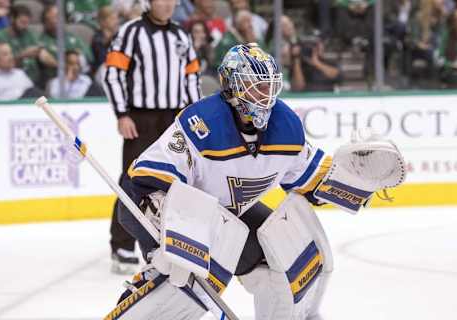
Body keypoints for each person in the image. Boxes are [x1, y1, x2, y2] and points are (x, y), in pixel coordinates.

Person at [106, 43, 333, 319]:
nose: (266, 95)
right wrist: (171, 230)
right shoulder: (203, 122)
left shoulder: (285, 123)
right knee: (183, 270)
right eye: (256, 86)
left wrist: (354, 180)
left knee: (284, 249)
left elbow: (313, 178)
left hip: (225, 213)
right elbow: (146, 178)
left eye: (270, 86)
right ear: (233, 86)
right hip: (154, 206)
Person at [103, 0, 202, 274]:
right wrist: (122, 114)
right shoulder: (131, 32)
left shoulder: (182, 35)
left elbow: (192, 77)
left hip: (173, 119)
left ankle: (167, 244)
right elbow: (112, 74)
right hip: (140, 118)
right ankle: (121, 245)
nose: (168, 4)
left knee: (175, 183)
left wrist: (194, 117)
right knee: (132, 180)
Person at [0, 4, 57, 86]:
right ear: (12, 19)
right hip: (11, 79)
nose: (25, 26)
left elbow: (42, 53)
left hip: (34, 79)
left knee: (46, 96)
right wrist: (23, 55)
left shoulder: (28, 34)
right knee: (39, 96)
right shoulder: (0, 36)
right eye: (22, 22)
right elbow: (4, 63)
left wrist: (58, 66)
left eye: (27, 23)